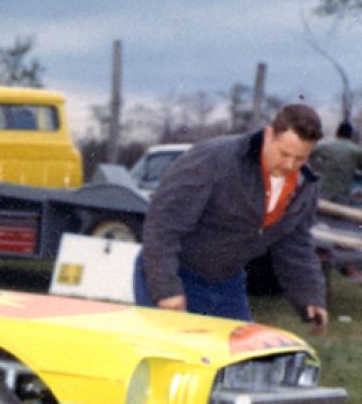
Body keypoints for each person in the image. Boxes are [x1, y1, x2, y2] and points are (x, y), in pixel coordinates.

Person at [134, 103, 328, 327]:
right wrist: (166, 288)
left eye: (300, 158)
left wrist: (310, 296)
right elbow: (163, 225)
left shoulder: (305, 186)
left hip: (227, 281)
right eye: (284, 154)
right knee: (176, 348)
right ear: (269, 135)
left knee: (241, 348)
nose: (290, 164)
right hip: (173, 271)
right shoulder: (214, 158)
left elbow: (295, 243)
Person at [309, 120, 362, 202]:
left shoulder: (325, 144)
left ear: (337, 132)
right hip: (343, 193)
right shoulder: (357, 151)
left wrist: (317, 166)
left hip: (322, 189)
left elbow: (308, 154)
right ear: (350, 135)